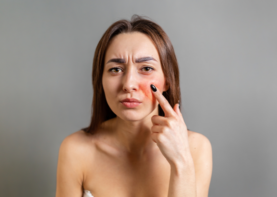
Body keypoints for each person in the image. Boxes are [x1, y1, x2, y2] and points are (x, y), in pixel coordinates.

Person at [55, 15, 213, 197]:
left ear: (167, 80)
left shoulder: (195, 148)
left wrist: (181, 162)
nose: (129, 84)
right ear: (101, 80)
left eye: (146, 68)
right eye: (115, 69)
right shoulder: (76, 150)